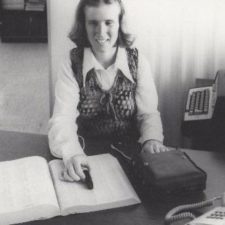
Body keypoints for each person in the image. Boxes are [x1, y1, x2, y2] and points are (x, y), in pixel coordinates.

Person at [48, 0, 167, 183]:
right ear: (83, 24)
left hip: (131, 158)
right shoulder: (71, 63)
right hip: (86, 157)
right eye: (93, 23)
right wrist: (72, 154)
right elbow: (63, 118)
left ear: (120, 23)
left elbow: (148, 114)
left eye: (108, 22)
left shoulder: (138, 61)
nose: (101, 32)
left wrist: (152, 140)